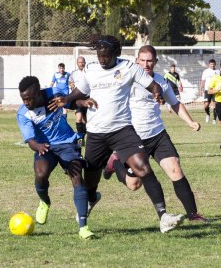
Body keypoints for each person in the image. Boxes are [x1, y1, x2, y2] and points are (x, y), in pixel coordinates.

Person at [50, 35, 185, 233]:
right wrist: (67, 99)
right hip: (96, 134)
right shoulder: (91, 69)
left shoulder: (129, 68)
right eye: (99, 55)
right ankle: (92, 198)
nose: (102, 59)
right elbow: (80, 92)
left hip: (122, 130)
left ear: (115, 54)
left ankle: (163, 217)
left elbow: (152, 84)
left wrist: (156, 92)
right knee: (90, 182)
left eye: (106, 56)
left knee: (143, 168)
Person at [103, 45, 208, 222]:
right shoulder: (127, 81)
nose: (146, 64)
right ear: (137, 61)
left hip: (157, 135)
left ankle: (193, 215)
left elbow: (175, 103)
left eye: (150, 61)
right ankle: (116, 165)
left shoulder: (161, 81)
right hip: (133, 138)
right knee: (134, 184)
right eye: (142, 60)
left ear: (156, 62)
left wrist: (190, 121)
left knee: (175, 169)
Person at [16, 76, 94, 239]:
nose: (26, 102)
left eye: (29, 98)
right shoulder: (23, 113)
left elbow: (71, 103)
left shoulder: (53, 94)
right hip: (44, 147)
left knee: (77, 176)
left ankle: (83, 227)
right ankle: (45, 201)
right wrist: (38, 146)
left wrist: (83, 103)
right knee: (41, 174)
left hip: (67, 143)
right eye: (23, 99)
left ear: (39, 93)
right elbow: (30, 140)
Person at [69, 56, 87, 146]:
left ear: (85, 63)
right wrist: (71, 85)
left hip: (88, 98)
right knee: (79, 118)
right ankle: (80, 138)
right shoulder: (74, 73)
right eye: (80, 62)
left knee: (86, 121)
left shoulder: (88, 72)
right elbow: (70, 81)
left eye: (83, 62)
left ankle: (84, 136)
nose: (81, 64)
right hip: (78, 99)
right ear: (77, 63)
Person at [199, 59, 219, 124]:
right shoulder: (205, 71)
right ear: (209, 64)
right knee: (206, 105)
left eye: (213, 64)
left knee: (215, 105)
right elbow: (203, 81)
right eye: (211, 64)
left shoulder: (218, 71)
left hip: (215, 90)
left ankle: (214, 119)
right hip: (207, 90)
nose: (212, 65)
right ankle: (208, 114)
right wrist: (200, 89)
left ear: (215, 64)